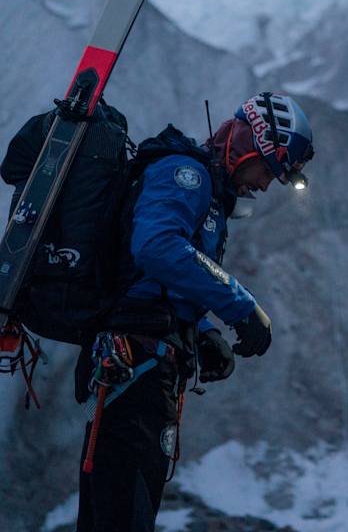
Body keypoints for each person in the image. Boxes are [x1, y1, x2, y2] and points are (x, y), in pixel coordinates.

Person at [75, 92, 314, 532]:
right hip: (134, 371)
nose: (263, 185)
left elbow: (155, 284)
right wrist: (240, 306)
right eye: (266, 170)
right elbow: (157, 246)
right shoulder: (185, 175)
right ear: (246, 143)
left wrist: (200, 329)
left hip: (141, 370)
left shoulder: (204, 190)